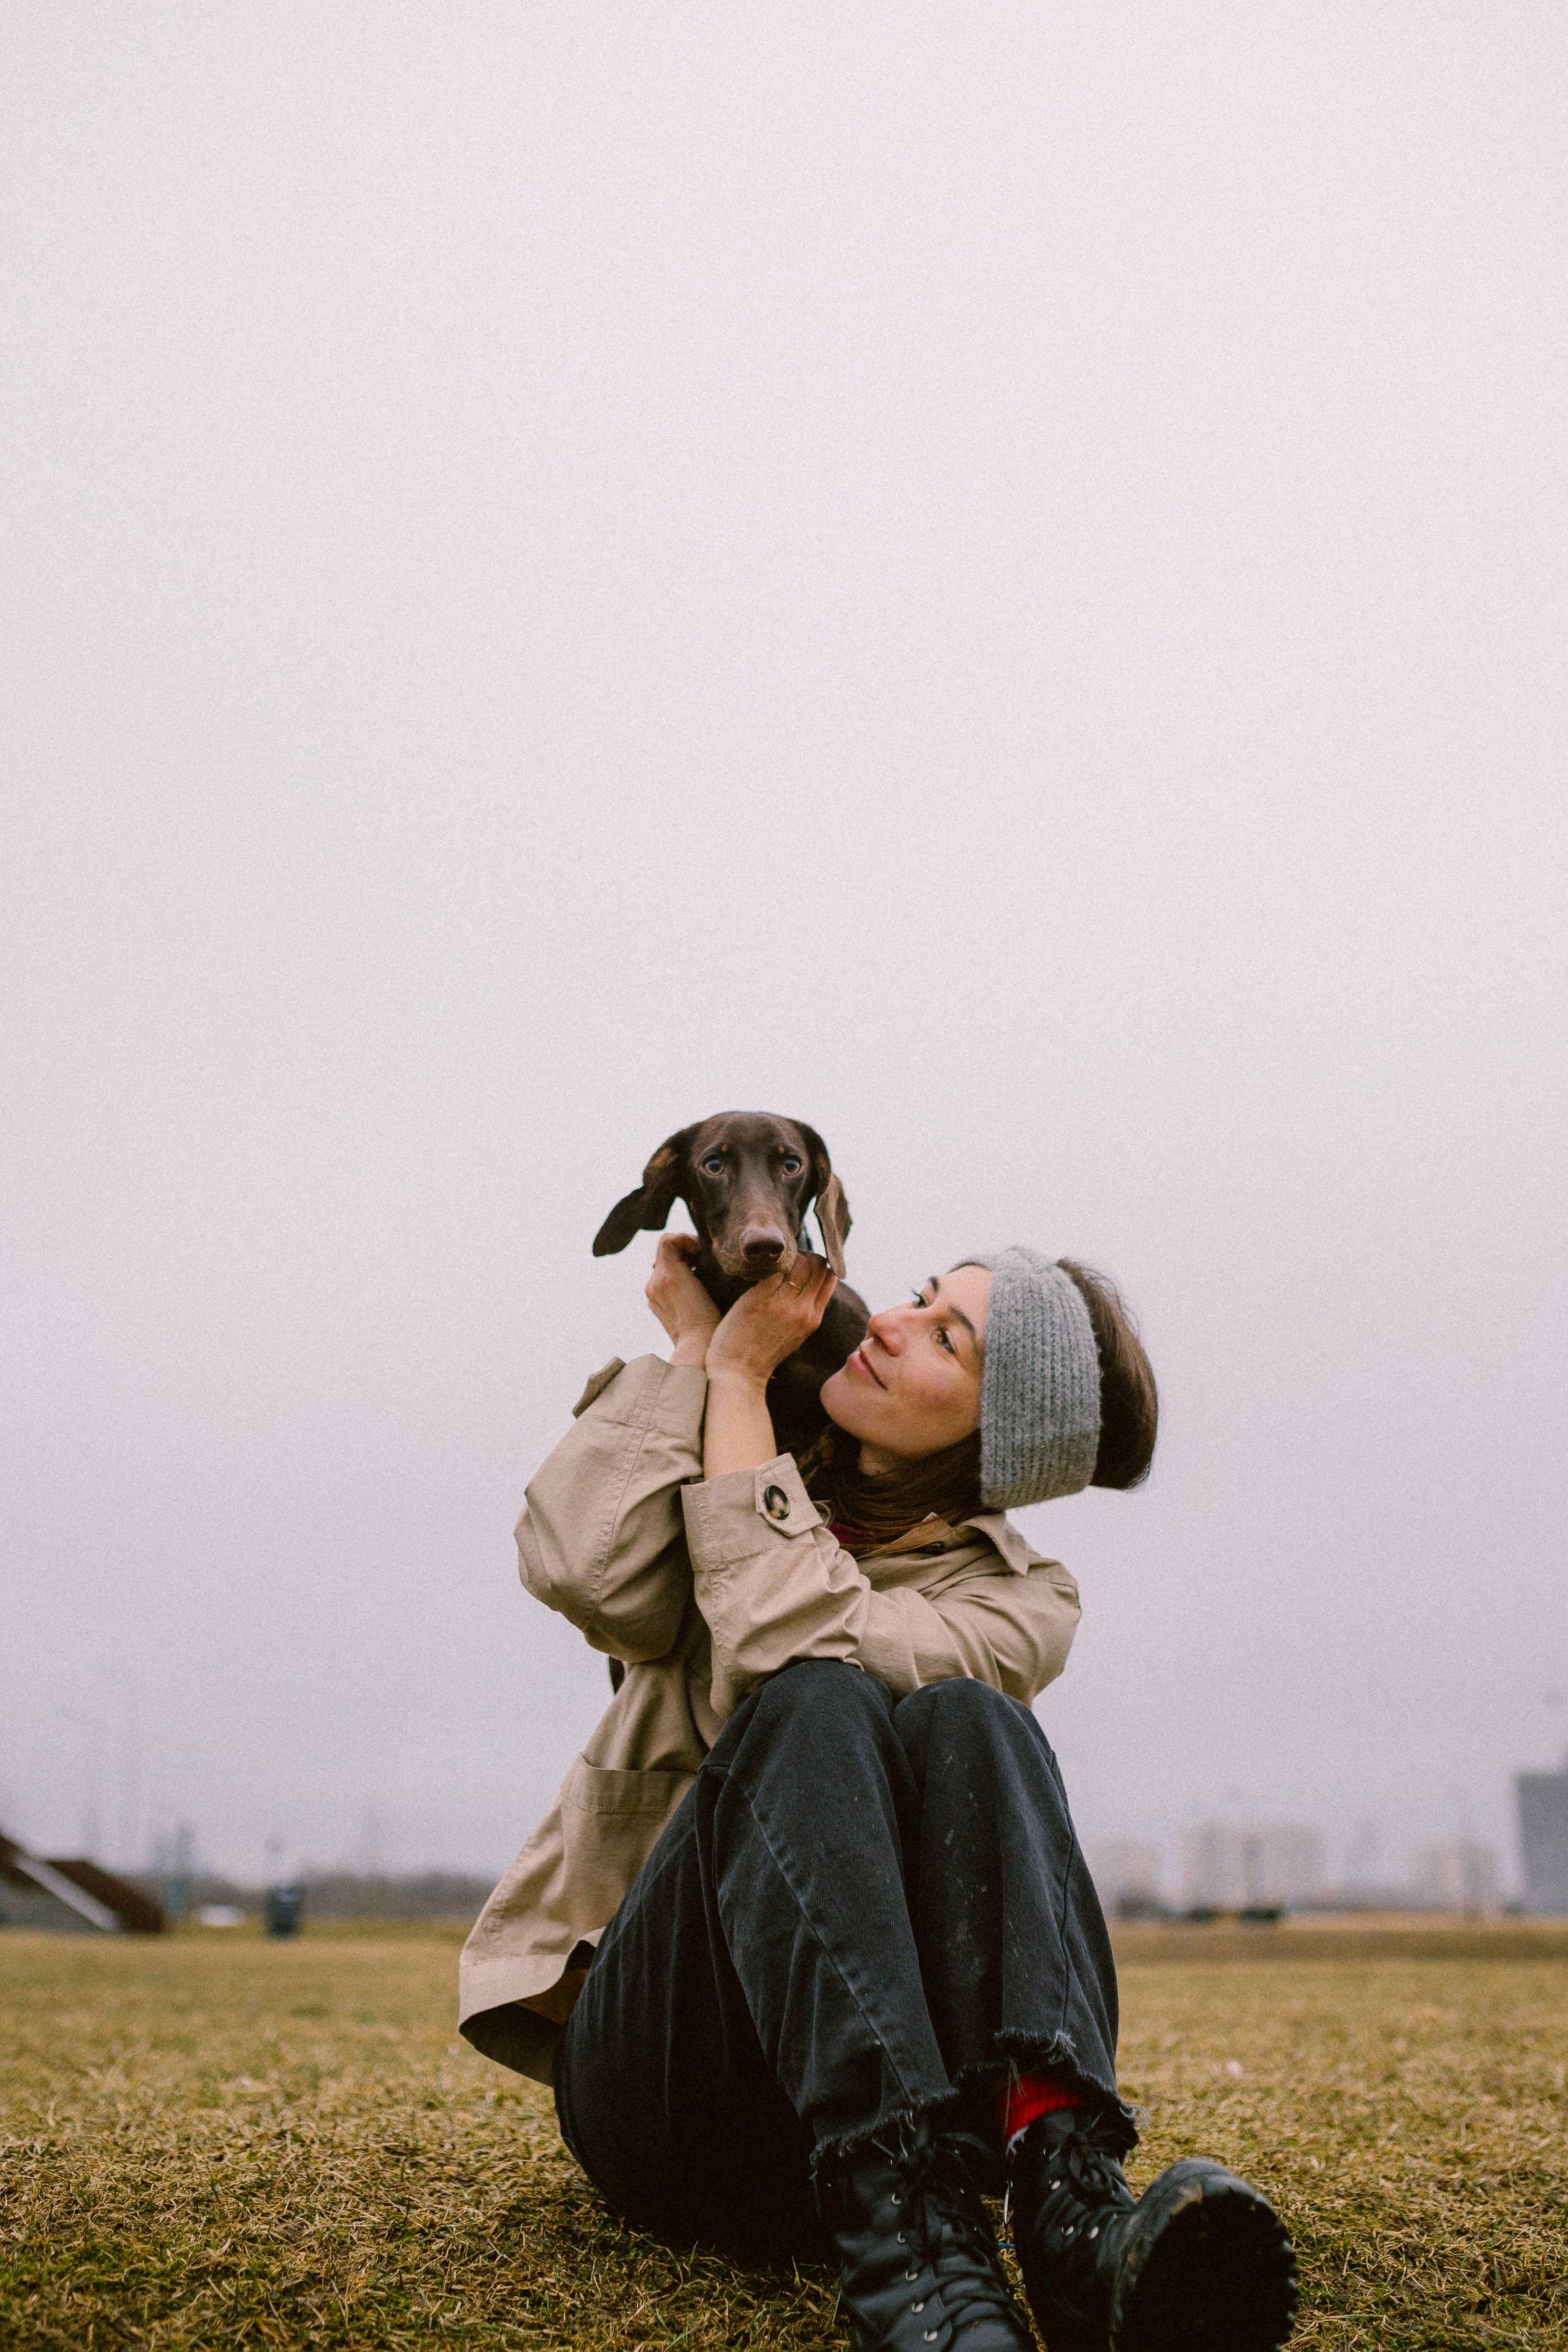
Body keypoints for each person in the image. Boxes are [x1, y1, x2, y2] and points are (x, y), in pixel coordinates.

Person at [460, 1236, 1298, 2352]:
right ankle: (920, 2233)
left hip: (889, 2135)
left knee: (964, 1719)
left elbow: (782, 1631)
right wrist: (702, 1363)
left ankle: (1064, 2205)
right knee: (813, 1709)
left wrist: (744, 1389)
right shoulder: (746, 1454)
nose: (892, 1323)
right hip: (665, 2093)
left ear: (999, 1442)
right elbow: (579, 1566)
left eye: (947, 1337)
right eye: (918, 1298)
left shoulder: (1021, 1606)